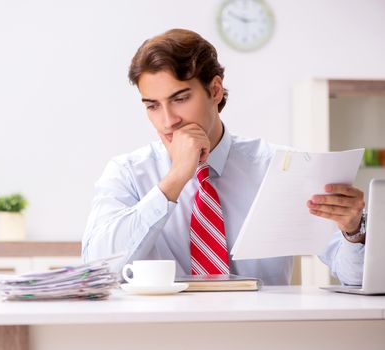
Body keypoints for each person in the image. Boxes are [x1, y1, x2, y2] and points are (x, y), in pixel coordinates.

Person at [82, 29, 365, 285]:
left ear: (215, 90)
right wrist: (175, 179)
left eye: (180, 99)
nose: (167, 121)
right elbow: (99, 269)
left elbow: (356, 277)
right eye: (153, 106)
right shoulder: (128, 173)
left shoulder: (277, 167)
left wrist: (353, 231)